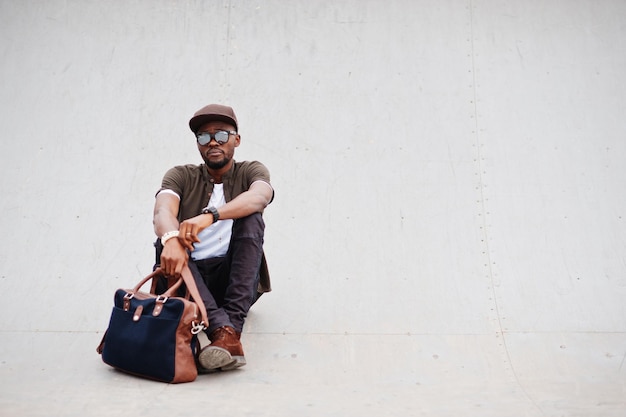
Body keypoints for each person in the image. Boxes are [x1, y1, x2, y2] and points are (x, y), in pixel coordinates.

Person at [153, 103, 274, 372]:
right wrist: (171, 238)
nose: (212, 142)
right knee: (165, 239)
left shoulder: (250, 170)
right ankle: (226, 333)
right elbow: (162, 210)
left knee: (252, 217)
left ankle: (225, 326)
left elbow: (259, 197)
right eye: (204, 137)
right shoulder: (181, 175)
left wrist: (210, 216)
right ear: (198, 144)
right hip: (187, 280)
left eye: (221, 134)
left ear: (236, 140)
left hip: (234, 280)